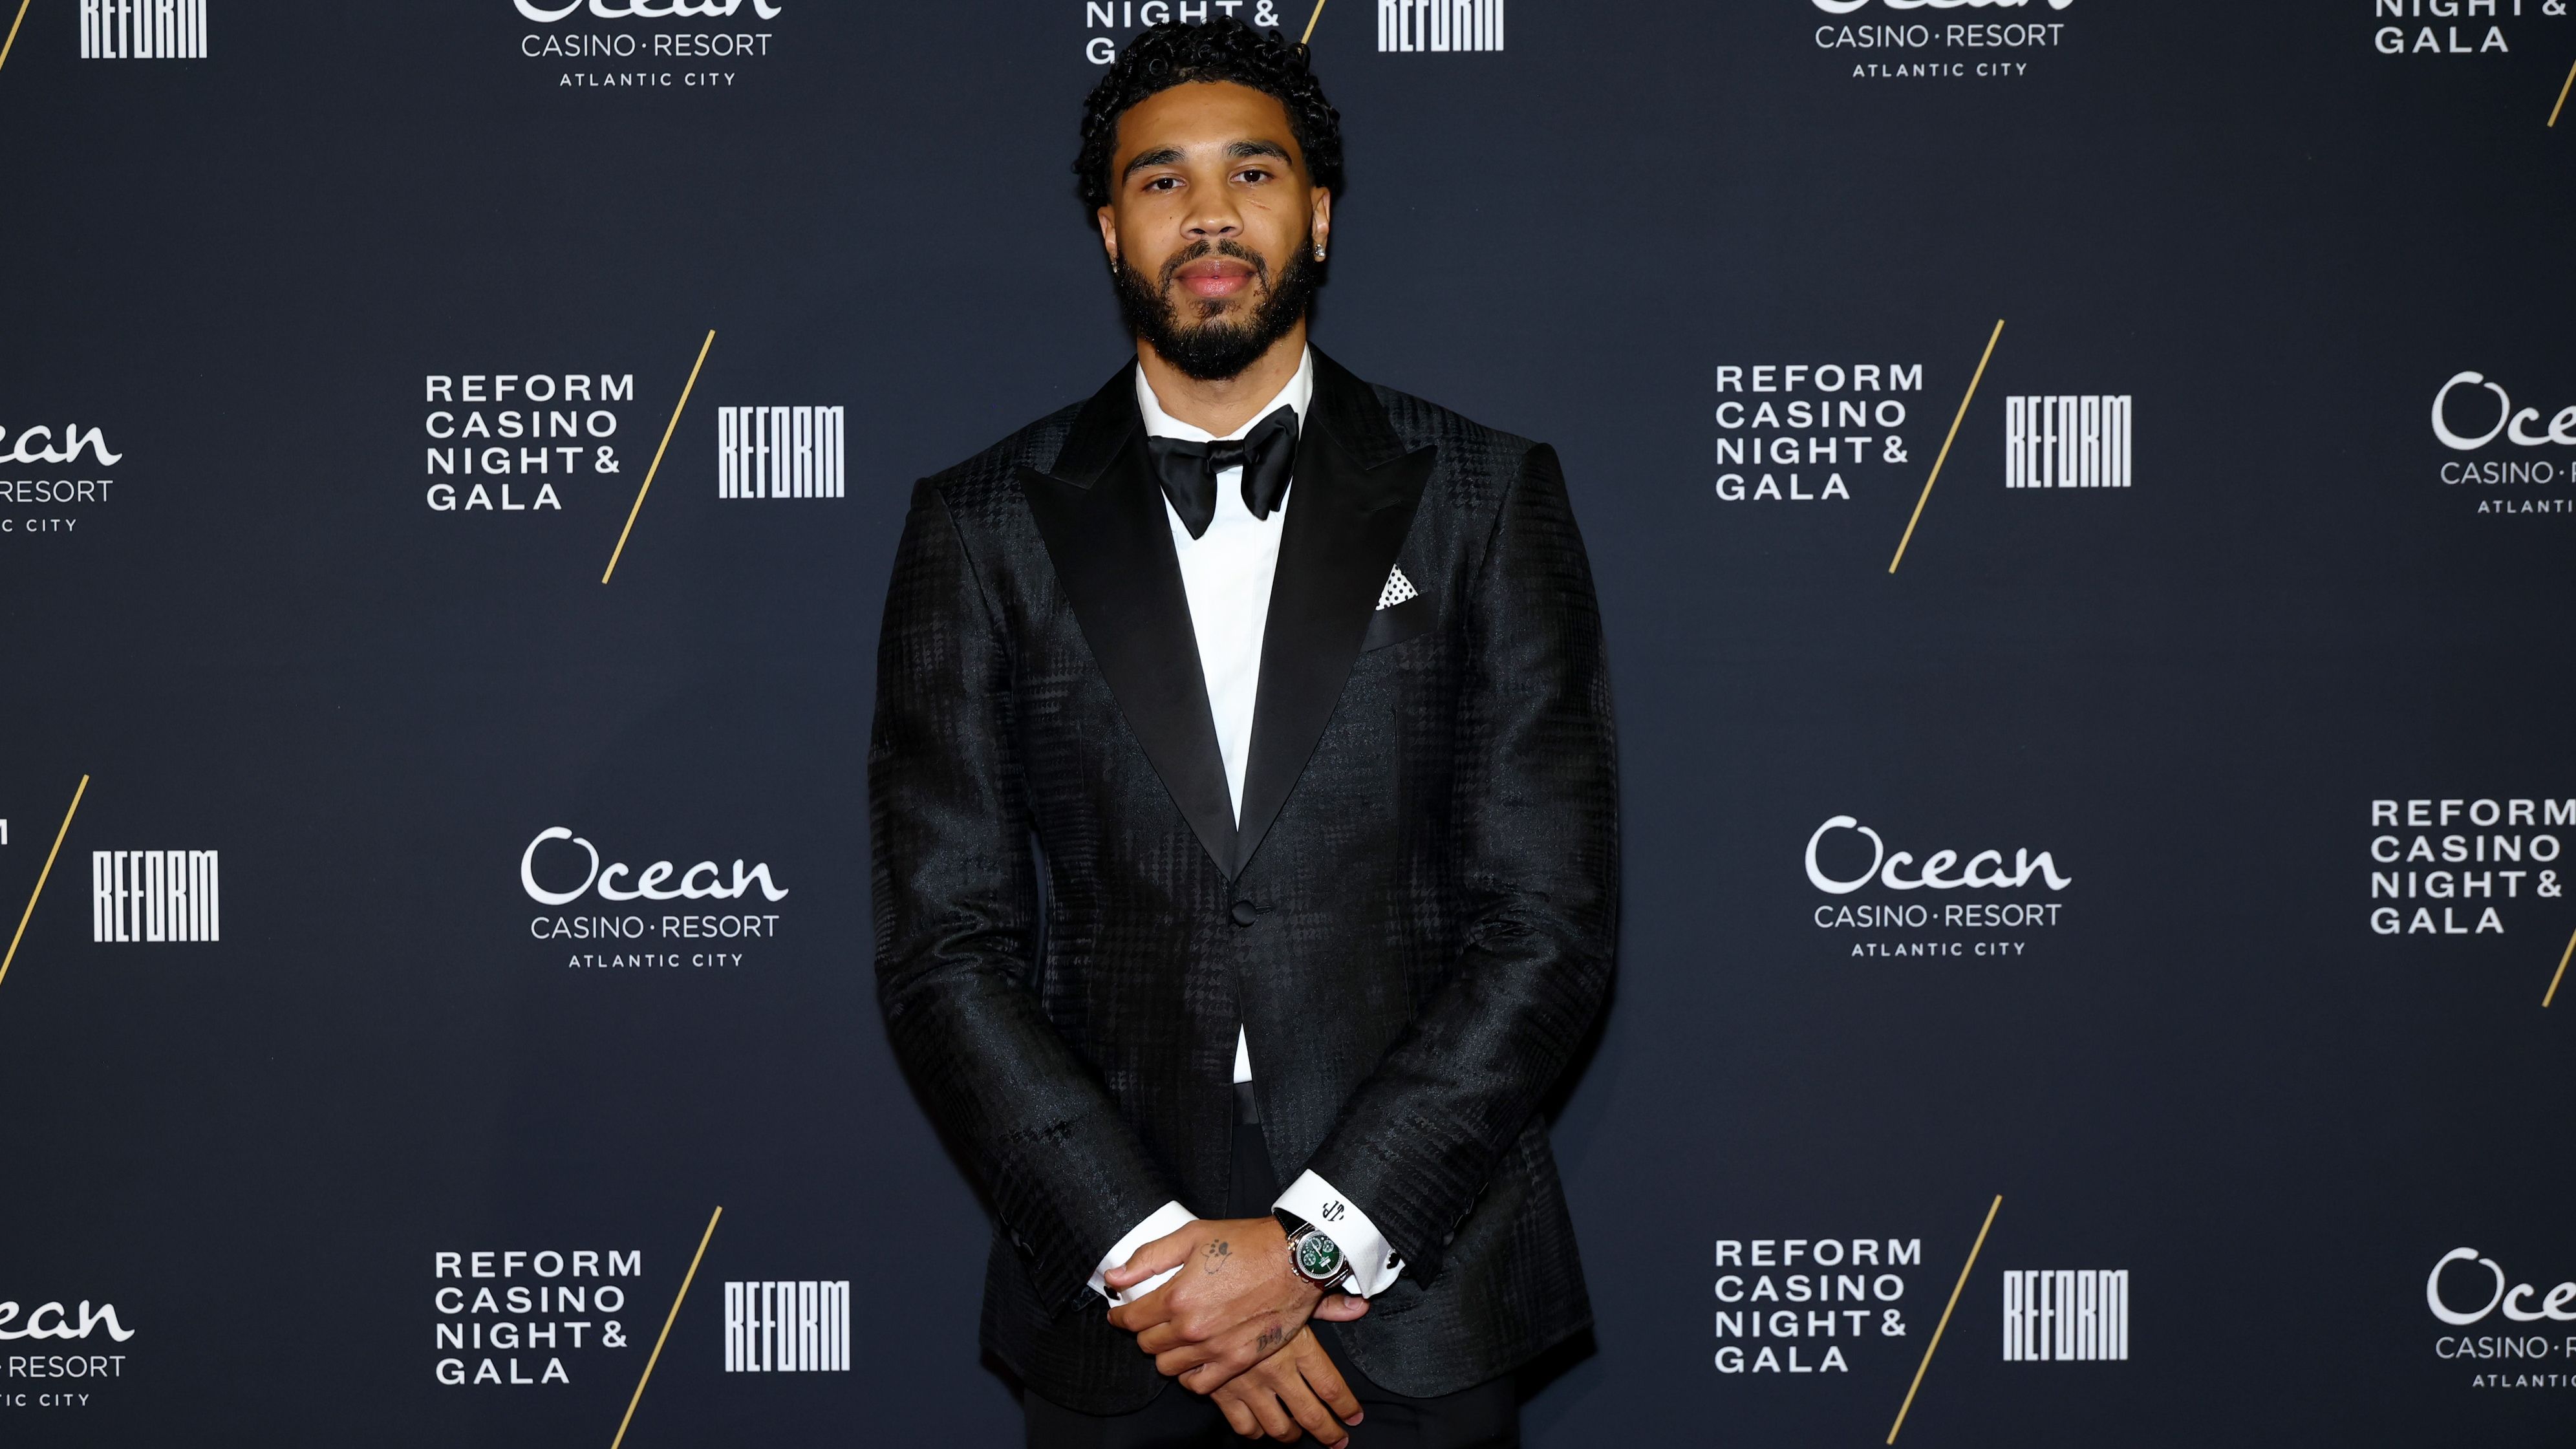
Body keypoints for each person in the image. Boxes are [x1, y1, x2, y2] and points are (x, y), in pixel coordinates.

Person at [869, 19, 1617, 1447]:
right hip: (1118, 1310)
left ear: (1317, 214)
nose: (1208, 213)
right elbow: (943, 944)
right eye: (1161, 181)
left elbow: (1548, 921)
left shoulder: (1485, 495)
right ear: (1111, 230)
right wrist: (1165, 1263)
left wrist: (1317, 1241)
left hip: (1419, 1290)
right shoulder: (979, 523)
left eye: (1252, 173)